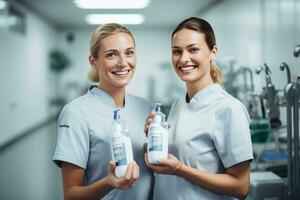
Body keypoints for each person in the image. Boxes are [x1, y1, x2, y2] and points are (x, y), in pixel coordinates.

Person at [144, 17, 253, 200]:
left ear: (213, 52)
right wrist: (154, 140)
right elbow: (177, 157)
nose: (184, 59)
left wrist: (180, 170)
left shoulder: (229, 109)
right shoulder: (179, 104)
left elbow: (241, 187)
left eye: (193, 49)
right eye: (176, 51)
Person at [53, 23, 153, 200]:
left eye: (129, 52)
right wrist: (109, 182)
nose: (123, 63)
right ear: (94, 61)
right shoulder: (76, 113)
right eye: (111, 55)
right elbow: (71, 195)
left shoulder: (146, 108)